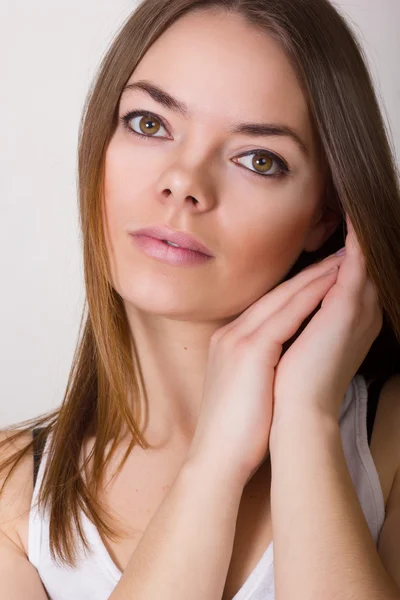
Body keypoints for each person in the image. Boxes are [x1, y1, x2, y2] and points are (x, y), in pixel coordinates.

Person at [1, 0, 400, 598]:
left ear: (326, 217)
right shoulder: (12, 490)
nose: (184, 182)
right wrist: (214, 462)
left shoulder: (388, 440)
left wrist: (306, 420)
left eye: (258, 159)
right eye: (149, 123)